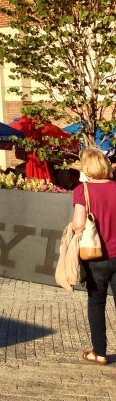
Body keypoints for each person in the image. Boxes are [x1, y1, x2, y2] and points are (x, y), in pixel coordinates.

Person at [72, 147, 116, 365]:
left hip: (96, 257)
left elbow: (79, 224)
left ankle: (99, 353)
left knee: (97, 303)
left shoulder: (83, 190)